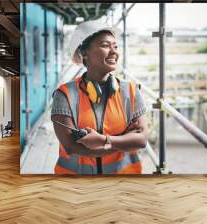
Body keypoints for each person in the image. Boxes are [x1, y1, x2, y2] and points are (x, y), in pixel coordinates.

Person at [51, 20, 148, 174]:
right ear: (85, 53)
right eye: (105, 45)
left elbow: (141, 140)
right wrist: (123, 140)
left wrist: (103, 140)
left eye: (115, 46)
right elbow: (71, 146)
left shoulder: (130, 91)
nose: (114, 52)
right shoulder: (64, 95)